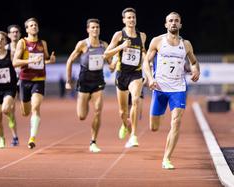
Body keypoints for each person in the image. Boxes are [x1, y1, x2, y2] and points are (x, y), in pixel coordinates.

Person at [143, 12, 200, 169]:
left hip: (178, 88)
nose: (173, 23)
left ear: (180, 24)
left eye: (176, 21)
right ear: (166, 24)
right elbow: (146, 62)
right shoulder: (157, 41)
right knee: (154, 127)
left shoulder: (186, 44)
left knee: (176, 121)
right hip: (160, 88)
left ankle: (166, 158)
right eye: (170, 21)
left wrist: (196, 70)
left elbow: (194, 62)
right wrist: (150, 78)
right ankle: (158, 115)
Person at [65, 18, 112, 153]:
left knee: (98, 110)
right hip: (84, 82)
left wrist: (114, 65)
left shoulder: (104, 45)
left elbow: (110, 63)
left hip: (98, 81)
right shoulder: (82, 45)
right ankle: (84, 103)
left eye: (97, 27)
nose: (95, 29)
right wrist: (68, 81)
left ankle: (93, 141)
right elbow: (69, 61)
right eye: (92, 27)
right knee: (82, 116)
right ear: (88, 30)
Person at [104, 7, 146, 148]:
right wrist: (121, 46)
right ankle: (124, 124)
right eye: (128, 17)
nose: (131, 20)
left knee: (135, 100)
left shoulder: (142, 36)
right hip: (121, 74)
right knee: (123, 112)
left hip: (136, 74)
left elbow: (143, 52)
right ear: (124, 20)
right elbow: (106, 54)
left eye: (133, 17)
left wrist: (148, 64)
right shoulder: (118, 35)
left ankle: (133, 135)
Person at [13, 17, 56, 149]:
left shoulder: (43, 43)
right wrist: (29, 61)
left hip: (39, 80)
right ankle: (24, 106)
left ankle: (32, 138)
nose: (34, 27)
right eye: (31, 25)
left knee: (35, 107)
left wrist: (51, 60)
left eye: (35, 25)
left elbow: (46, 58)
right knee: (26, 112)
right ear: (26, 29)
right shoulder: (23, 43)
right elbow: (15, 62)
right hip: (25, 80)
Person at [5, 24, 22, 146]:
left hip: (25, 79)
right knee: (10, 110)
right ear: (9, 35)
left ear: (20, 34)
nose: (15, 34)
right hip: (11, 81)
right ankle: (15, 136)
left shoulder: (25, 46)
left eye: (17, 32)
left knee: (28, 108)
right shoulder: (5, 49)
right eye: (12, 32)